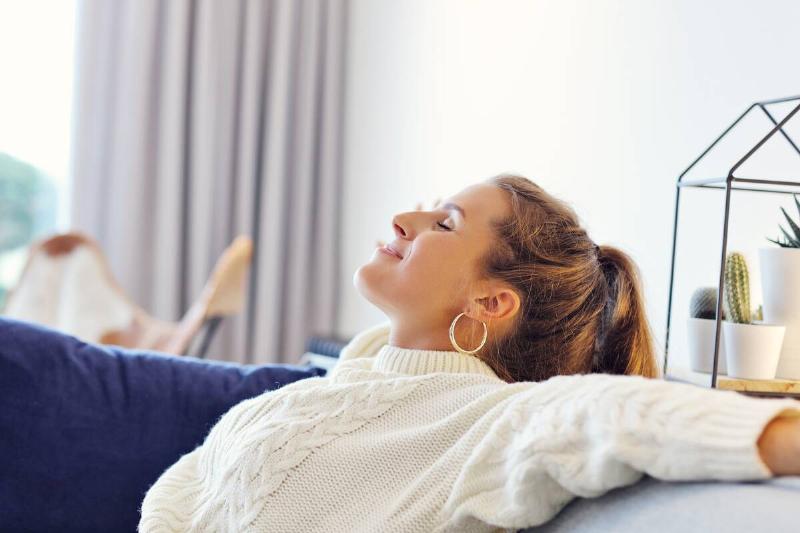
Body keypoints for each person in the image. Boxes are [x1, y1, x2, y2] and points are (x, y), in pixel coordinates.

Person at [138, 174, 800, 533]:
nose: (404, 221)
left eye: (444, 223)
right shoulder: (337, 383)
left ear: (491, 302)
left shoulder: (486, 421)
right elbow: (188, 489)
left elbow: (614, 414)